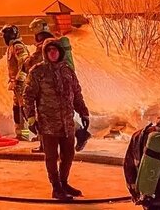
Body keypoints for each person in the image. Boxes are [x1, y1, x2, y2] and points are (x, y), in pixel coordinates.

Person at [23, 38, 91, 201]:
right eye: (49, 50)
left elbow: (77, 93)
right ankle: (56, 187)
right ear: (46, 53)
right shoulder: (37, 72)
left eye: (55, 50)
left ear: (60, 52)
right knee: (51, 157)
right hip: (48, 123)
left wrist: (83, 112)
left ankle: (63, 182)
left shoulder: (67, 71)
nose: (53, 53)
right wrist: (31, 118)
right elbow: (28, 96)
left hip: (67, 123)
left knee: (68, 154)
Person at [1, 24, 35, 140]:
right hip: (16, 84)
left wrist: (19, 80)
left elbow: (24, 63)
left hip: (21, 84)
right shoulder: (12, 47)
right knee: (17, 109)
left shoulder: (18, 46)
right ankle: (20, 134)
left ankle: (28, 134)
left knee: (23, 109)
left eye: (6, 35)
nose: (5, 37)